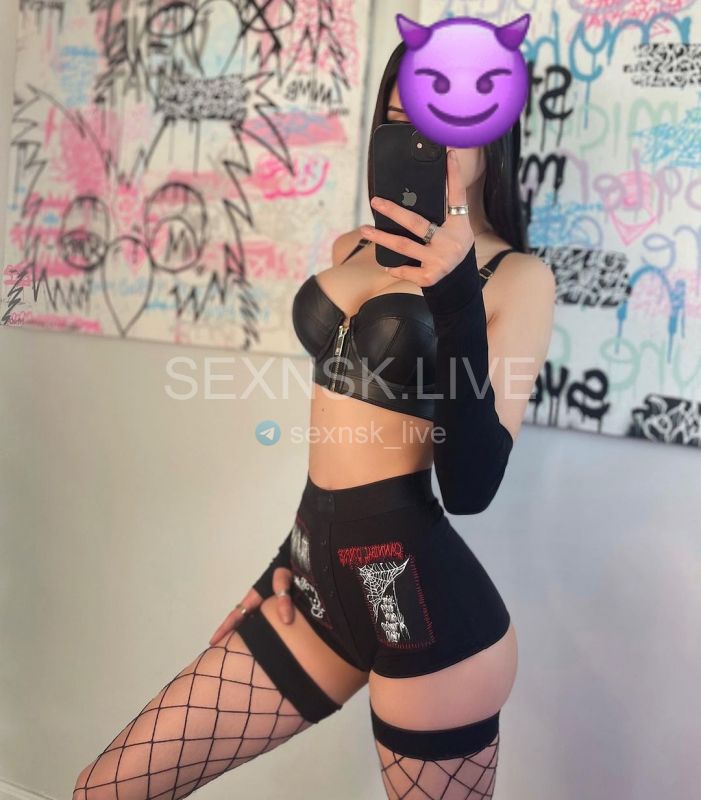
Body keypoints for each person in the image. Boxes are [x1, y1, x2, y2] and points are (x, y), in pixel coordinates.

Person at [73, 41, 555, 800]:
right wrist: (285, 559)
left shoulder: (516, 278)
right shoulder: (353, 246)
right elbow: (339, 448)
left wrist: (456, 289)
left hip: (427, 616)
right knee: (105, 789)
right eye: (403, 114)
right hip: (314, 590)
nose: (424, 135)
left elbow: (471, 487)